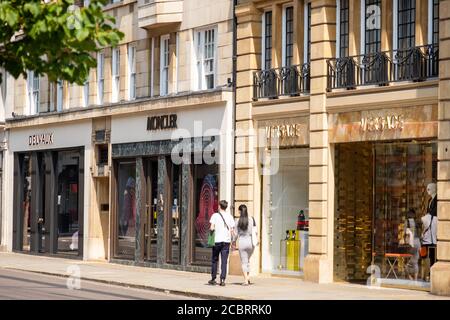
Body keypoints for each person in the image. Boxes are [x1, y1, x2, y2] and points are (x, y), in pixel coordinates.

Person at [208, 200, 235, 286]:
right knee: (224, 261)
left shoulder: (215, 215)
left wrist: (213, 229)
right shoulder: (230, 216)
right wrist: (233, 241)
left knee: (215, 260)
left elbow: (211, 228)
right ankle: (222, 280)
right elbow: (232, 230)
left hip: (217, 241)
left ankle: (213, 278)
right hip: (226, 241)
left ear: (219, 206)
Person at [234, 204, 256, 286]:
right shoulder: (252, 219)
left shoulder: (237, 221)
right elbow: (255, 231)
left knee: (244, 262)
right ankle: (248, 277)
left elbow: (235, 234)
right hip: (251, 242)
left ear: (239, 211)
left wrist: (233, 241)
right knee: (247, 261)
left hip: (242, 242)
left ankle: (246, 280)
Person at [421, 183, 437, 268]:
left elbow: (434, 212)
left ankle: (434, 266)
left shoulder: (438, 199)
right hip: (429, 226)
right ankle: (431, 267)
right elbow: (428, 211)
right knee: (429, 246)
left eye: (429, 189)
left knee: (434, 246)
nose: (427, 191)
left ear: (434, 189)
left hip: (434, 225)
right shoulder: (429, 200)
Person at [404, 209, 420, 281]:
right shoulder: (417, 222)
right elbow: (420, 232)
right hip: (417, 242)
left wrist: (405, 240)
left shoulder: (407, 222)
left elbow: (405, 233)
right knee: (415, 261)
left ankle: (410, 277)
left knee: (407, 261)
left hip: (411, 243)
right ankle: (415, 279)